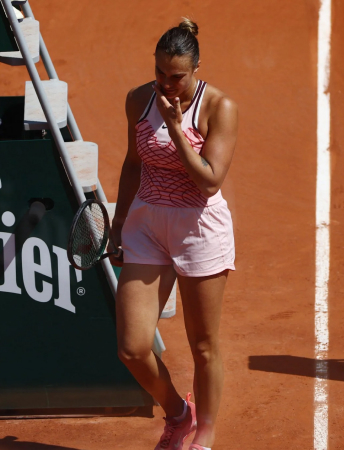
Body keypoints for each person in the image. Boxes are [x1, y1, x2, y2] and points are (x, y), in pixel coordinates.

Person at [110, 18, 238, 450]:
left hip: (198, 229)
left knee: (203, 346)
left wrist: (179, 129)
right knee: (131, 346)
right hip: (147, 223)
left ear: (196, 68)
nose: (167, 83)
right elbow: (133, 163)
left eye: (177, 76)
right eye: (160, 72)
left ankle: (204, 436)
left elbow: (209, 181)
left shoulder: (219, 108)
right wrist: (117, 224)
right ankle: (179, 414)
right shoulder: (138, 99)